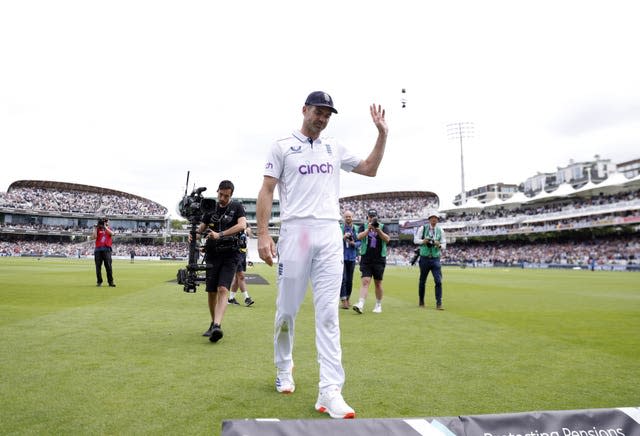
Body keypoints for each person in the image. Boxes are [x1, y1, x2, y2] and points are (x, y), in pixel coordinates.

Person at [256, 91, 388, 419]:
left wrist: (382, 135)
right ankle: (283, 368)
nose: (323, 117)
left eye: (328, 113)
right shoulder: (282, 146)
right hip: (297, 233)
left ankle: (330, 390)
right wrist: (261, 233)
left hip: (329, 233)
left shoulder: (334, 147)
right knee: (287, 310)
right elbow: (267, 189)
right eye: (319, 111)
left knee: (328, 313)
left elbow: (370, 168)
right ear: (305, 110)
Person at [197, 180, 247, 343]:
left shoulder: (237, 207)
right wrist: (194, 234)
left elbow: (242, 225)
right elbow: (201, 228)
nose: (223, 198)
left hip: (231, 254)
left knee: (223, 288)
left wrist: (220, 234)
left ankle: (218, 325)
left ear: (231, 195)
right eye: (221, 194)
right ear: (217, 191)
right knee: (211, 291)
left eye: (226, 196)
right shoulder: (210, 207)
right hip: (212, 254)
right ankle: (213, 323)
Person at [352, 209, 390, 314]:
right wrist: (368, 230)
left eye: (373, 217)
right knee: (365, 281)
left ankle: (378, 305)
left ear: (376, 217)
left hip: (379, 259)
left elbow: (387, 239)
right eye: (370, 216)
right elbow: (358, 237)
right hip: (366, 258)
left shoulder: (383, 227)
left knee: (378, 283)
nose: (371, 218)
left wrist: (378, 230)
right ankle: (360, 304)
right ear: (367, 217)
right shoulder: (363, 226)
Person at [413, 211, 446, 309]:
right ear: (429, 219)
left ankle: (439, 303)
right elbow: (415, 240)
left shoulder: (441, 230)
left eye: (435, 218)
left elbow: (444, 245)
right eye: (432, 218)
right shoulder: (423, 228)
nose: (434, 219)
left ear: (437, 219)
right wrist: (424, 241)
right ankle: (421, 301)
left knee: (438, 281)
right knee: (422, 281)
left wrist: (438, 244)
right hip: (424, 258)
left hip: (435, 258)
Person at [228, 227, 255, 307]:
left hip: (242, 254)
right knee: (241, 276)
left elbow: (250, 236)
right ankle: (247, 298)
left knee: (237, 279)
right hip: (237, 253)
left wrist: (247, 230)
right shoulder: (236, 228)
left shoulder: (245, 229)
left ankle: (231, 298)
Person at [340, 210, 359, 309]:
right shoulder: (340, 228)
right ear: (344, 217)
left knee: (350, 280)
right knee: (343, 279)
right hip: (342, 257)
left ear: (352, 217)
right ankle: (343, 300)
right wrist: (343, 237)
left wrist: (354, 244)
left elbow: (360, 241)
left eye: (349, 216)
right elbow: (335, 240)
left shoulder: (356, 228)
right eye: (346, 216)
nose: (348, 218)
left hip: (351, 257)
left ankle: (348, 298)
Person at [92, 217, 115, 287]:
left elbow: (112, 234)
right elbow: (94, 237)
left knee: (108, 266)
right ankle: (99, 281)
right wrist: (95, 228)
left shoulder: (108, 228)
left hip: (107, 249)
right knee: (98, 267)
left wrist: (105, 227)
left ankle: (110, 282)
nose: (105, 223)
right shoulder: (98, 229)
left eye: (106, 221)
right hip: (98, 249)